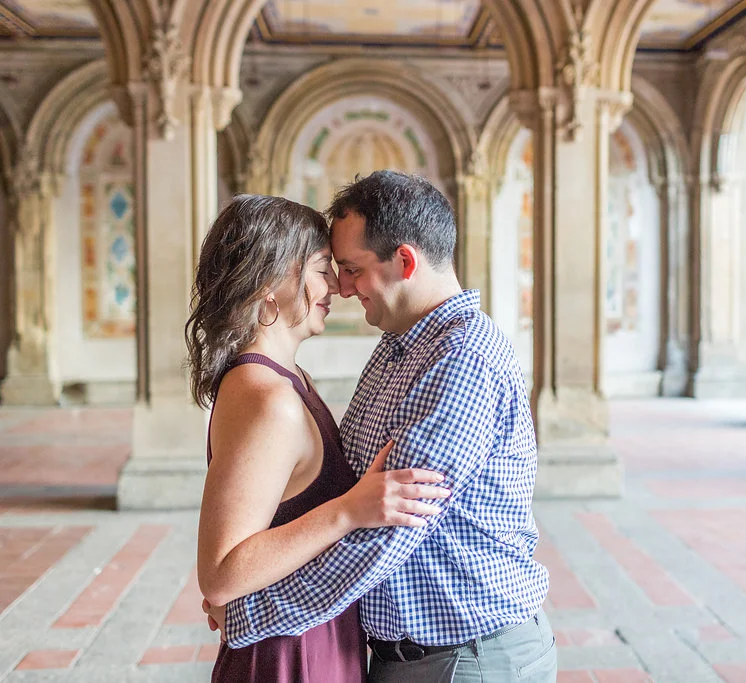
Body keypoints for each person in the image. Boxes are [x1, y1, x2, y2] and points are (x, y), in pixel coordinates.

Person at [208, 171, 556, 682]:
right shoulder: (395, 349)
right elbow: (350, 487)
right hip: (408, 655)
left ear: (405, 261)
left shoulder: (464, 359)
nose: (342, 288)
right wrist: (241, 574)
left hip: (466, 658)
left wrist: (247, 608)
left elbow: (386, 531)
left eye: (350, 269)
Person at [188, 194, 451, 682]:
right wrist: (350, 509)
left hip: (314, 630)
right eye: (319, 269)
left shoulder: (290, 380)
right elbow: (221, 572)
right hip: (290, 653)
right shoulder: (269, 399)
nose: (336, 286)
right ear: (269, 284)